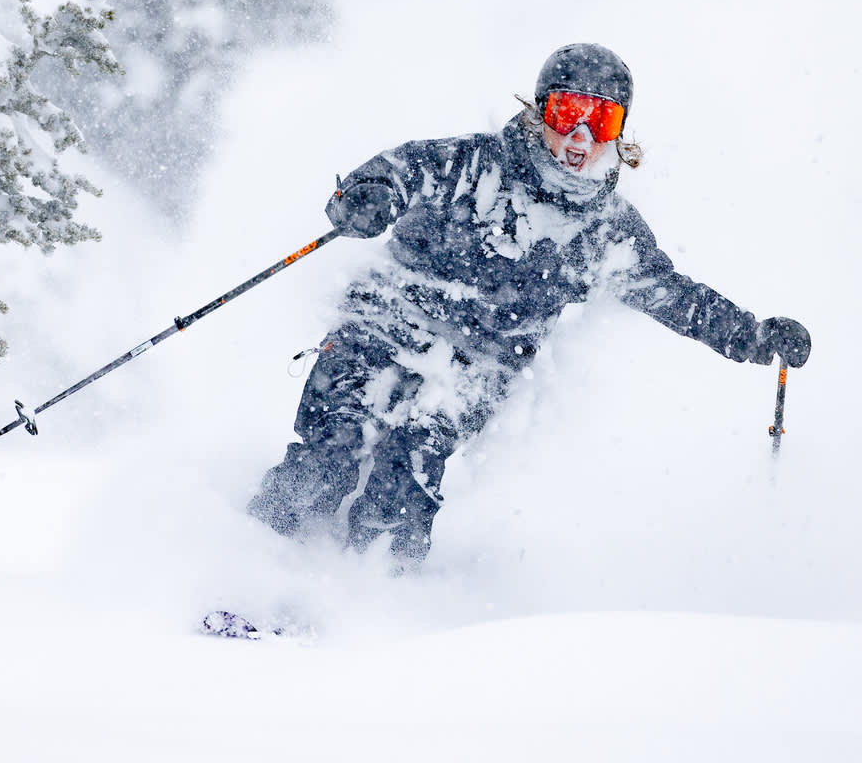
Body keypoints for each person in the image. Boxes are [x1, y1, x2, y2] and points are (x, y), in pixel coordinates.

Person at [247, 43, 811, 566]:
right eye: (569, 113)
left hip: (477, 363)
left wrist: (752, 337)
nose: (582, 136)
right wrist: (366, 197)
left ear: (621, 132)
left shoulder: (604, 233)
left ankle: (369, 600)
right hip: (387, 317)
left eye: (604, 120)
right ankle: (253, 564)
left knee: (408, 464)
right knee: (333, 447)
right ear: (540, 111)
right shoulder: (477, 166)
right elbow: (401, 171)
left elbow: (673, 295)